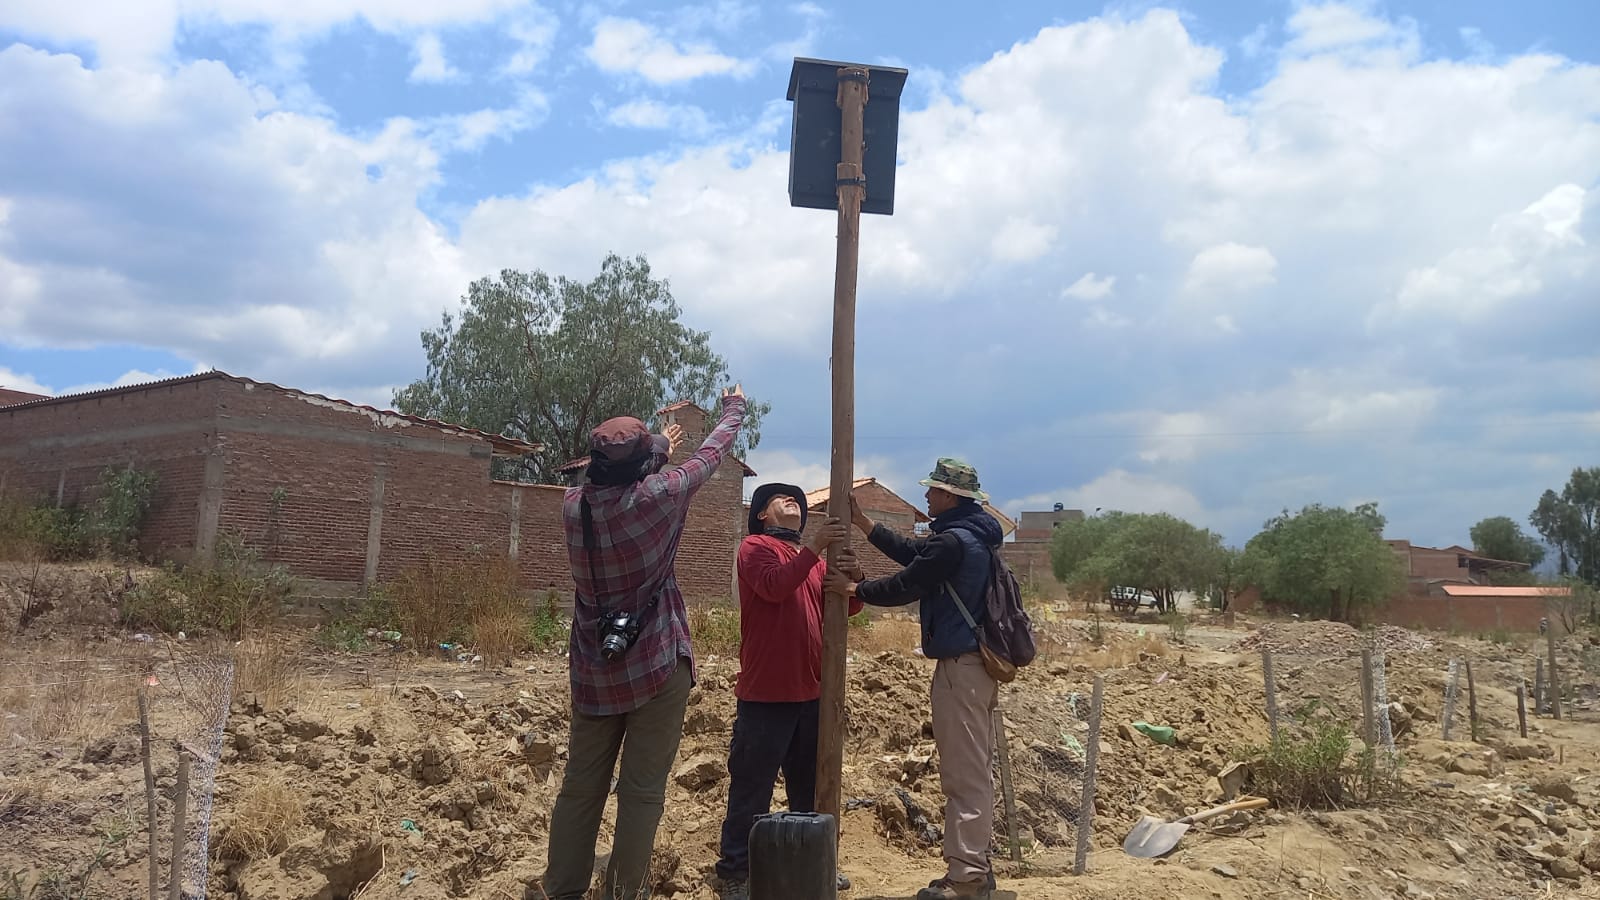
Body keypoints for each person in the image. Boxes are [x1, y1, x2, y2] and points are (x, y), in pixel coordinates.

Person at [533, 386, 746, 900]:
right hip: (655, 658)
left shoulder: (571, 507)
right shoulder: (661, 495)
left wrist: (653, 453)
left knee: (580, 788)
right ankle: (624, 892)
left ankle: (562, 889)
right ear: (645, 466)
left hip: (593, 663)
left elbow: (604, 481)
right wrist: (734, 408)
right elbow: (712, 453)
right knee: (641, 793)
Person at [825, 458, 1005, 900]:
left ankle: (966, 879)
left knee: (963, 774)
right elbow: (916, 555)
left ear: (951, 496)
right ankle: (975, 866)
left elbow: (909, 582)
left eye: (934, 491)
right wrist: (866, 524)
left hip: (961, 668)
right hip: (972, 667)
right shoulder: (969, 534)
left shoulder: (952, 542)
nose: (926, 497)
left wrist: (855, 591)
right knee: (973, 769)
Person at [714, 483, 862, 900]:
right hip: (766, 693)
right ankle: (736, 872)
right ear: (762, 513)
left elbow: (846, 608)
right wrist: (815, 548)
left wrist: (854, 576)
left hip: (812, 693)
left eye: (795, 498)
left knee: (808, 790)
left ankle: (812, 862)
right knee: (752, 788)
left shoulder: (810, 559)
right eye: (781, 498)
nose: (792, 500)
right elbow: (775, 587)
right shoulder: (754, 548)